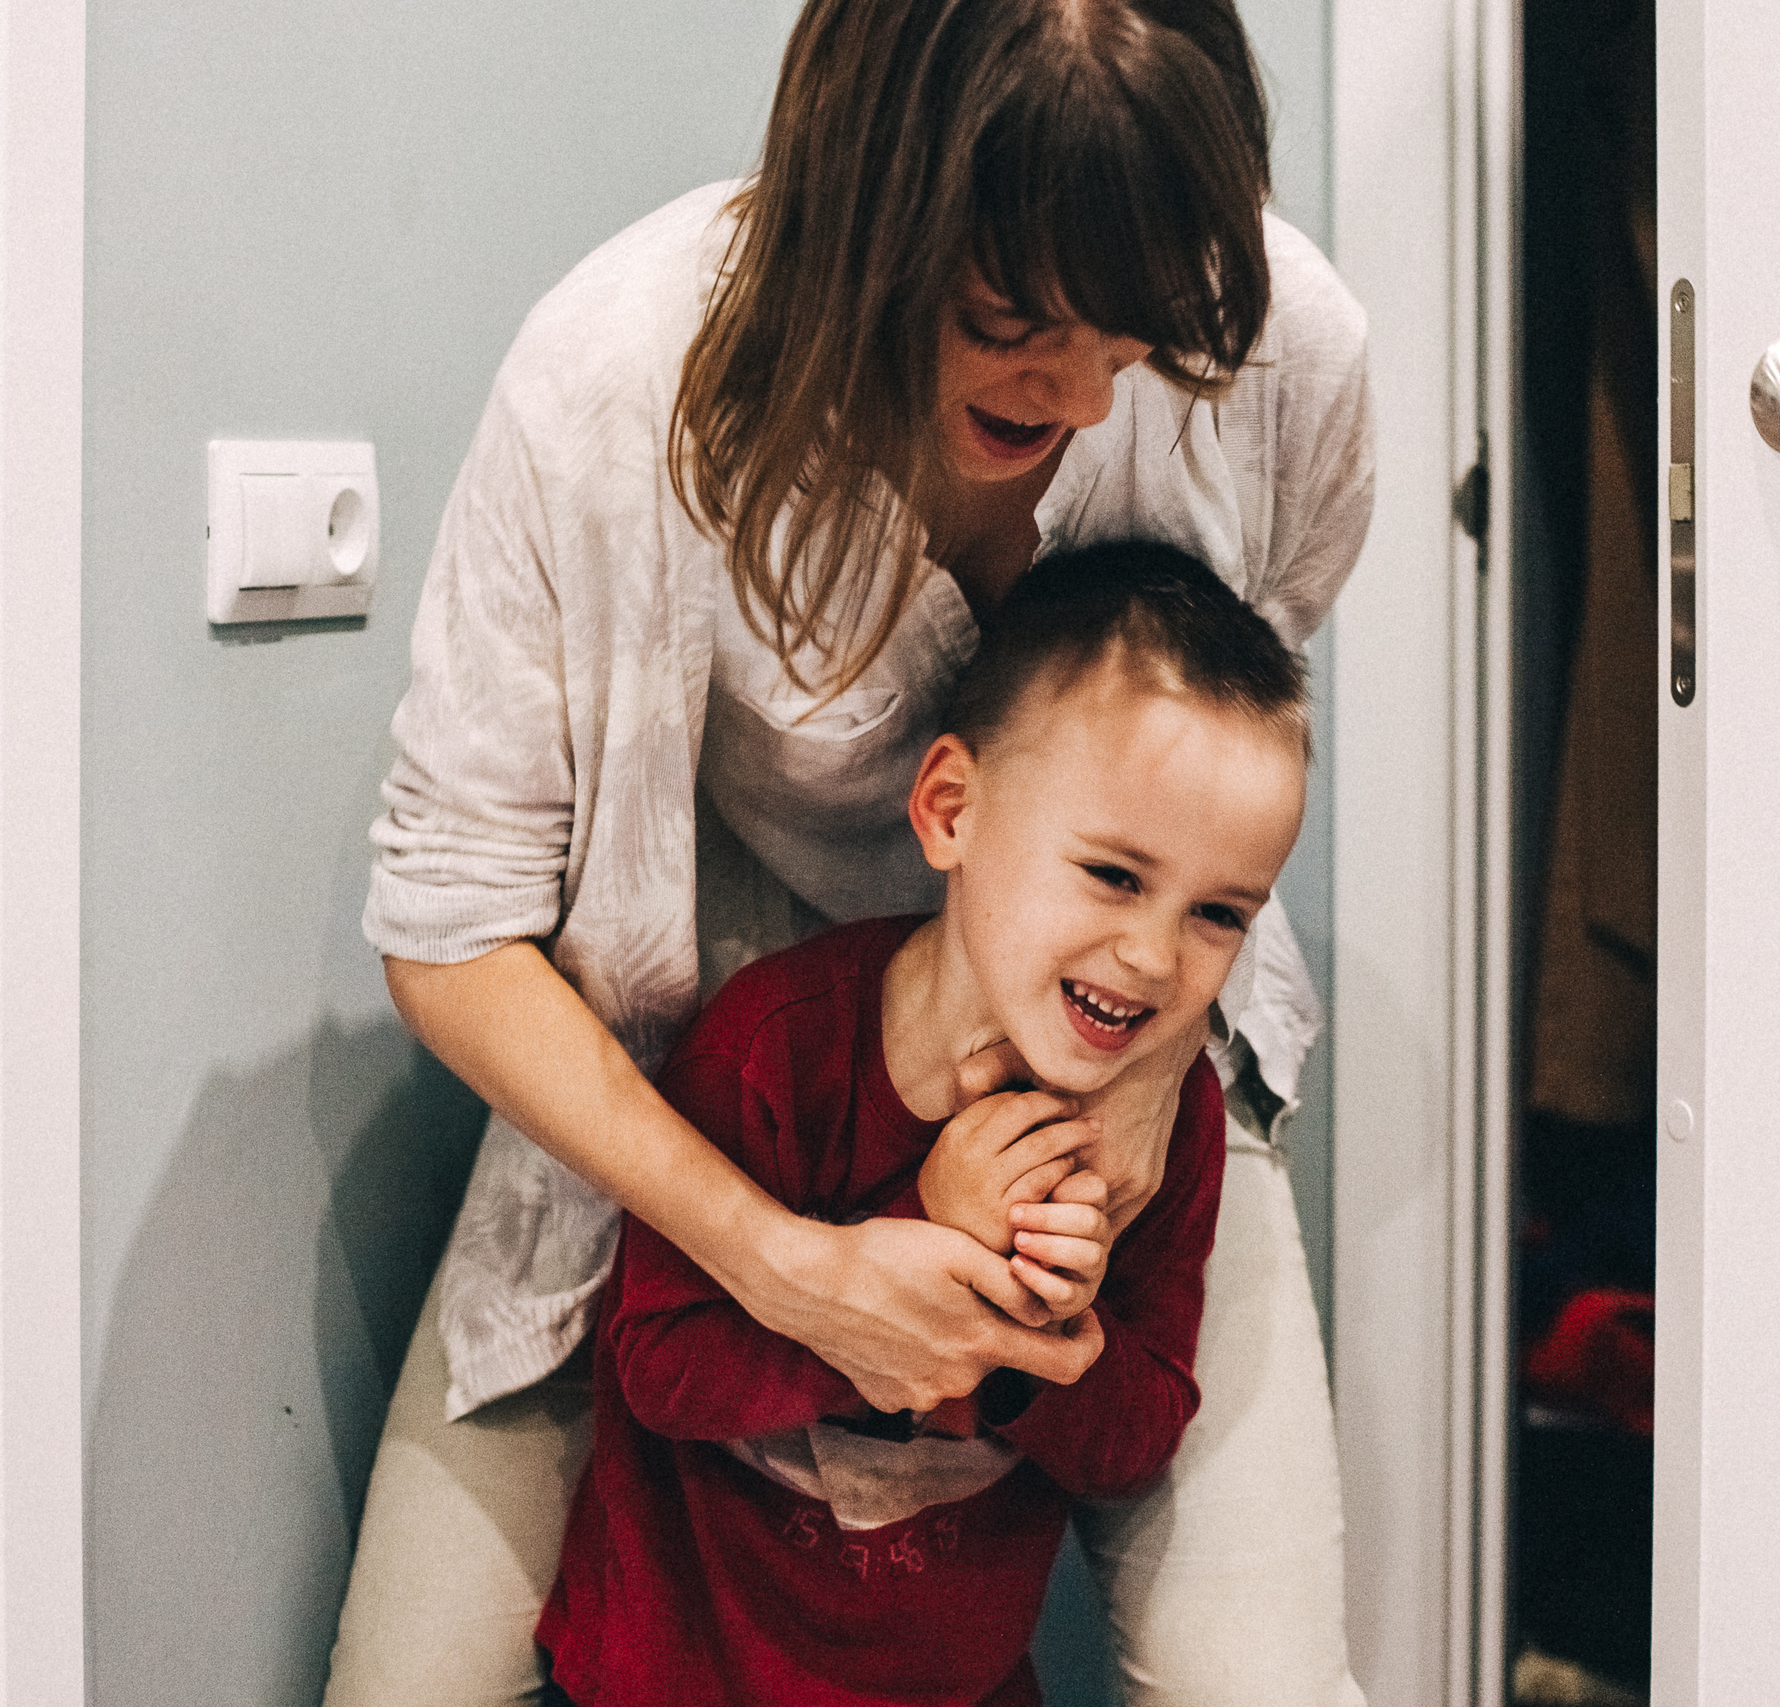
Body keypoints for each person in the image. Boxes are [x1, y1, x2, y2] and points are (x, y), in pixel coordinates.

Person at [326, 2, 1375, 1702]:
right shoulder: (619, 380)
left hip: (1128, 1042)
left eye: (1141, 331)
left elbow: (1238, 742)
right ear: (856, 221)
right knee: (413, 1671)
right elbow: (449, 927)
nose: (1088, 382)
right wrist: (793, 1271)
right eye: (1011, 319)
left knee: (1259, 1669)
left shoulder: (1282, 339)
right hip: (715, 1074)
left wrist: (1122, 1087)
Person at [536, 543, 1312, 1706]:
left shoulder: (1166, 1124)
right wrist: (923, 1233)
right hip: (685, 1672)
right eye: (1110, 874)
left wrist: (1045, 1339)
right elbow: (657, 1369)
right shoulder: (775, 1048)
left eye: (1217, 913)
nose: (1154, 956)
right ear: (951, 810)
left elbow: (1134, 1437)